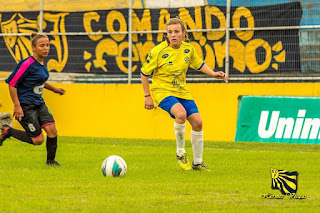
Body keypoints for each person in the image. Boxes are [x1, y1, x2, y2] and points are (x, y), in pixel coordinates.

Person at [140, 17, 227, 171]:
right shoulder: (158, 51)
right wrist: (147, 96)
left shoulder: (188, 49)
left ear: (184, 34)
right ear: (166, 35)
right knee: (181, 114)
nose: (173, 35)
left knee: (198, 122)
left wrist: (213, 74)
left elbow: (199, 63)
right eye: (169, 32)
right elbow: (144, 73)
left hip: (182, 91)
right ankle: (181, 153)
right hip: (162, 91)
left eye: (176, 32)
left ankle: (197, 162)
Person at [0, 33, 65, 166]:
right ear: (33, 48)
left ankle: (51, 161)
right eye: (42, 46)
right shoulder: (27, 64)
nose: (46, 48)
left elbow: (39, 81)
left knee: (52, 131)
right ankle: (8, 131)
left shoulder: (41, 63)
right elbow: (12, 83)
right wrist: (17, 106)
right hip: (26, 106)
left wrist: (54, 89)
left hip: (39, 103)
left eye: (47, 45)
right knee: (38, 140)